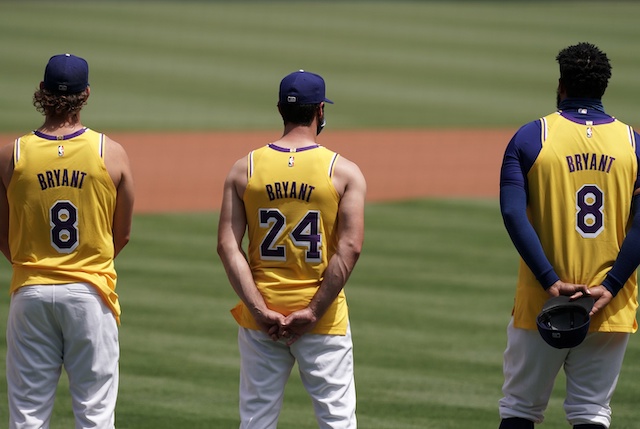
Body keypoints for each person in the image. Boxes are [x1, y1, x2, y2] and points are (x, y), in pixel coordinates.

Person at [498, 42, 640, 429]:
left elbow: (512, 212)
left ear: (561, 85)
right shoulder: (633, 143)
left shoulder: (531, 137)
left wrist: (551, 281)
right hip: (608, 305)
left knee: (520, 409)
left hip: (543, 301)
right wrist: (610, 286)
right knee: (592, 411)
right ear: (603, 88)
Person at [217, 70, 366, 429]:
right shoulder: (343, 172)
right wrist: (312, 312)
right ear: (320, 111)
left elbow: (226, 245)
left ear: (280, 109)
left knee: (256, 421)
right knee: (338, 421)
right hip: (324, 320)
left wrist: (259, 309)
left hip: (260, 321)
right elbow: (351, 247)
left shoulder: (244, 169)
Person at [0, 53, 135, 428]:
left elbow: (3, 232)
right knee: (94, 413)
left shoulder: (13, 154)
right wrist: (86, 262)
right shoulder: (111, 153)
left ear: (41, 91)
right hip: (90, 292)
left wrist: (33, 263)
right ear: (86, 94)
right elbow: (120, 234)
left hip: (30, 291)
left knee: (27, 415)